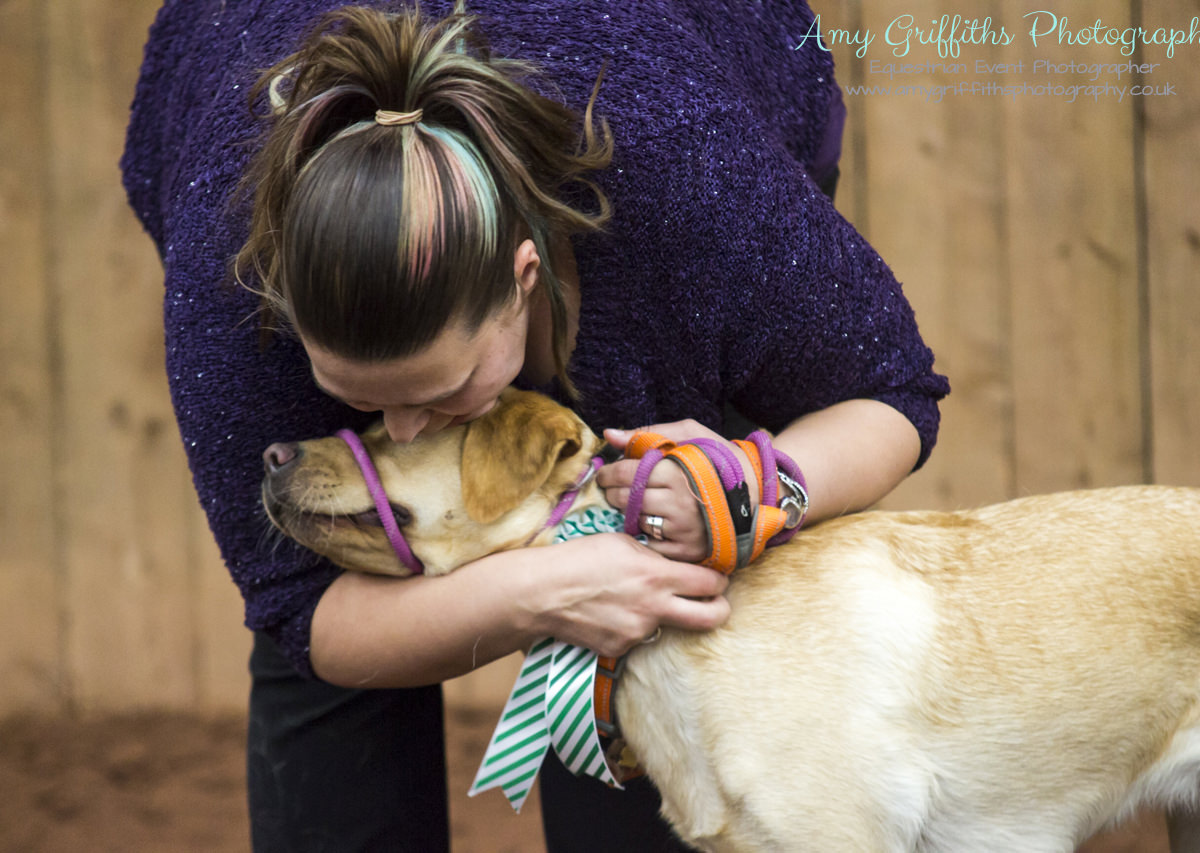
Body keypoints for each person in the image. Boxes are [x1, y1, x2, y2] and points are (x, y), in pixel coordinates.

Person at [122, 1, 949, 850]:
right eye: (360, 397)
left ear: (525, 277)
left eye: (438, 391)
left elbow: (890, 394)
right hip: (229, 77)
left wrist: (742, 487)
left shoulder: (698, 188)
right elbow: (304, 609)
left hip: (687, 90)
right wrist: (537, 593)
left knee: (676, 599)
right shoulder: (229, 282)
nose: (402, 430)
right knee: (336, 584)